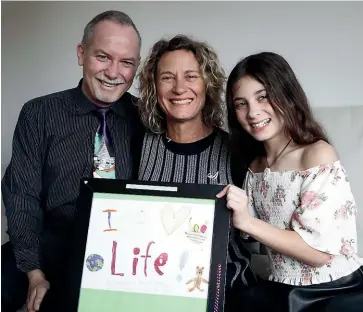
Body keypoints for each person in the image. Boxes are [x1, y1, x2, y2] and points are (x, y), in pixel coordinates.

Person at [1, 10, 144, 312]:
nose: (114, 72)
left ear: (137, 66)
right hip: (50, 245)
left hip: (123, 253)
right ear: (82, 54)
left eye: (126, 62)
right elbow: (21, 196)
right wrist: (33, 270)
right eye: (103, 57)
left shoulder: (147, 119)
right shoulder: (39, 113)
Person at [217, 51, 363, 311]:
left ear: (286, 94)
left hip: (333, 290)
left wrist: (248, 222)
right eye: (241, 104)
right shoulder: (255, 167)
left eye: (263, 97)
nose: (253, 112)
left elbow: (318, 254)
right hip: (282, 287)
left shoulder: (317, 154)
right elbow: (249, 239)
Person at [136, 34, 258, 311]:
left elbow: (257, 229)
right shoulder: (139, 146)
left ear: (208, 84)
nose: (180, 88)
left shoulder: (236, 152)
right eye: (167, 77)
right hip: (153, 281)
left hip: (224, 284)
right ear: (155, 87)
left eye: (191, 76)